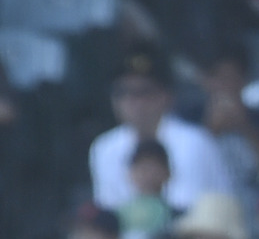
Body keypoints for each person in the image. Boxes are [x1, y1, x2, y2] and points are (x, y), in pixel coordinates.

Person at [89, 46, 232, 213]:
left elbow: (186, 209)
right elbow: (109, 210)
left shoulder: (194, 142)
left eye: (144, 92)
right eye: (123, 92)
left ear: (167, 96)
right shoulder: (104, 148)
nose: (134, 102)